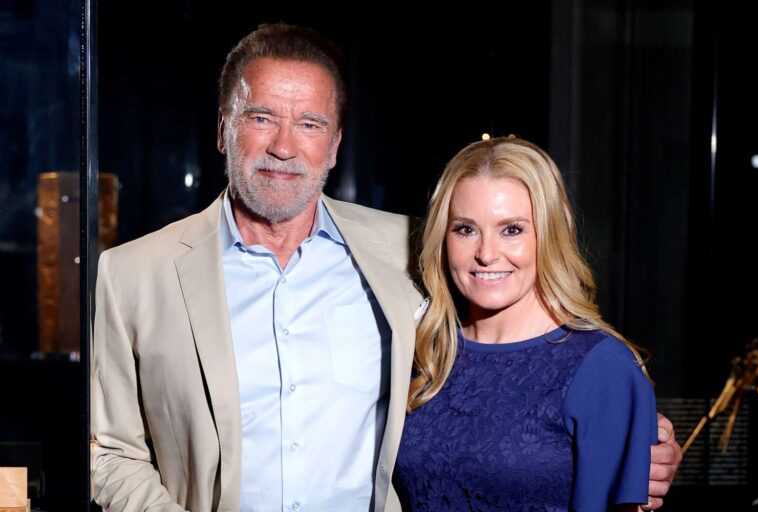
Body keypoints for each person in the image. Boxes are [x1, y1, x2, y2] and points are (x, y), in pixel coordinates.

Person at [90, 24, 681, 512]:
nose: (284, 146)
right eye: (262, 118)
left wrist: (629, 441)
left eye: (310, 124)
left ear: (335, 144)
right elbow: (108, 450)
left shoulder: (407, 250)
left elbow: (530, 357)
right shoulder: (133, 275)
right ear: (224, 128)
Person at [394, 135, 667, 511]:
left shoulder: (602, 367)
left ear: (550, 234)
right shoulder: (425, 353)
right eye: (465, 229)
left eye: (512, 229)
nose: (486, 254)